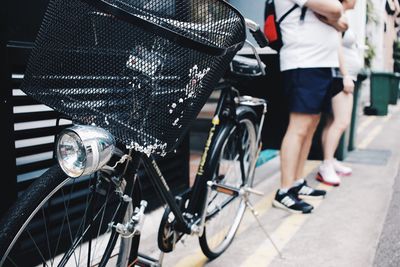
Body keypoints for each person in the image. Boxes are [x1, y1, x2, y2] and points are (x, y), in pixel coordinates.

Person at [272, 0, 347, 213]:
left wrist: (332, 17)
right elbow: (337, 9)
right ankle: (284, 191)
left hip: (321, 64)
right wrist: (332, 17)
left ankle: (296, 182)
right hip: (303, 63)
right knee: (299, 127)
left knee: (311, 126)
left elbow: (343, 23)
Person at [317, 0, 363, 186]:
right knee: (341, 122)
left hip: (342, 75)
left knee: (331, 122)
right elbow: (336, 47)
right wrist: (345, 76)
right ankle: (326, 164)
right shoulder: (336, 15)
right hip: (341, 76)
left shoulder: (341, 16)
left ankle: (330, 160)